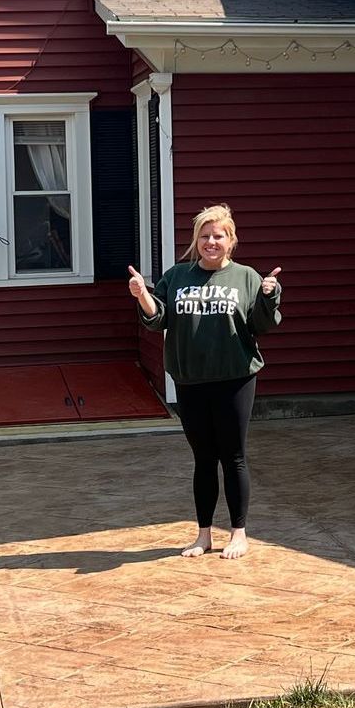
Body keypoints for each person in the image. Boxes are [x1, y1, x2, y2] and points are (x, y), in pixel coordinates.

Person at [129, 204, 282, 560]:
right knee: (203, 458)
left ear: (231, 241)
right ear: (196, 240)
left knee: (234, 457)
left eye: (218, 236)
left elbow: (262, 324)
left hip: (235, 379)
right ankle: (203, 535)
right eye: (205, 236)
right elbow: (157, 319)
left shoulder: (246, 277)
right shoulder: (177, 276)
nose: (211, 242)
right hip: (190, 379)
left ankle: (239, 534)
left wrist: (270, 293)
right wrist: (143, 296)